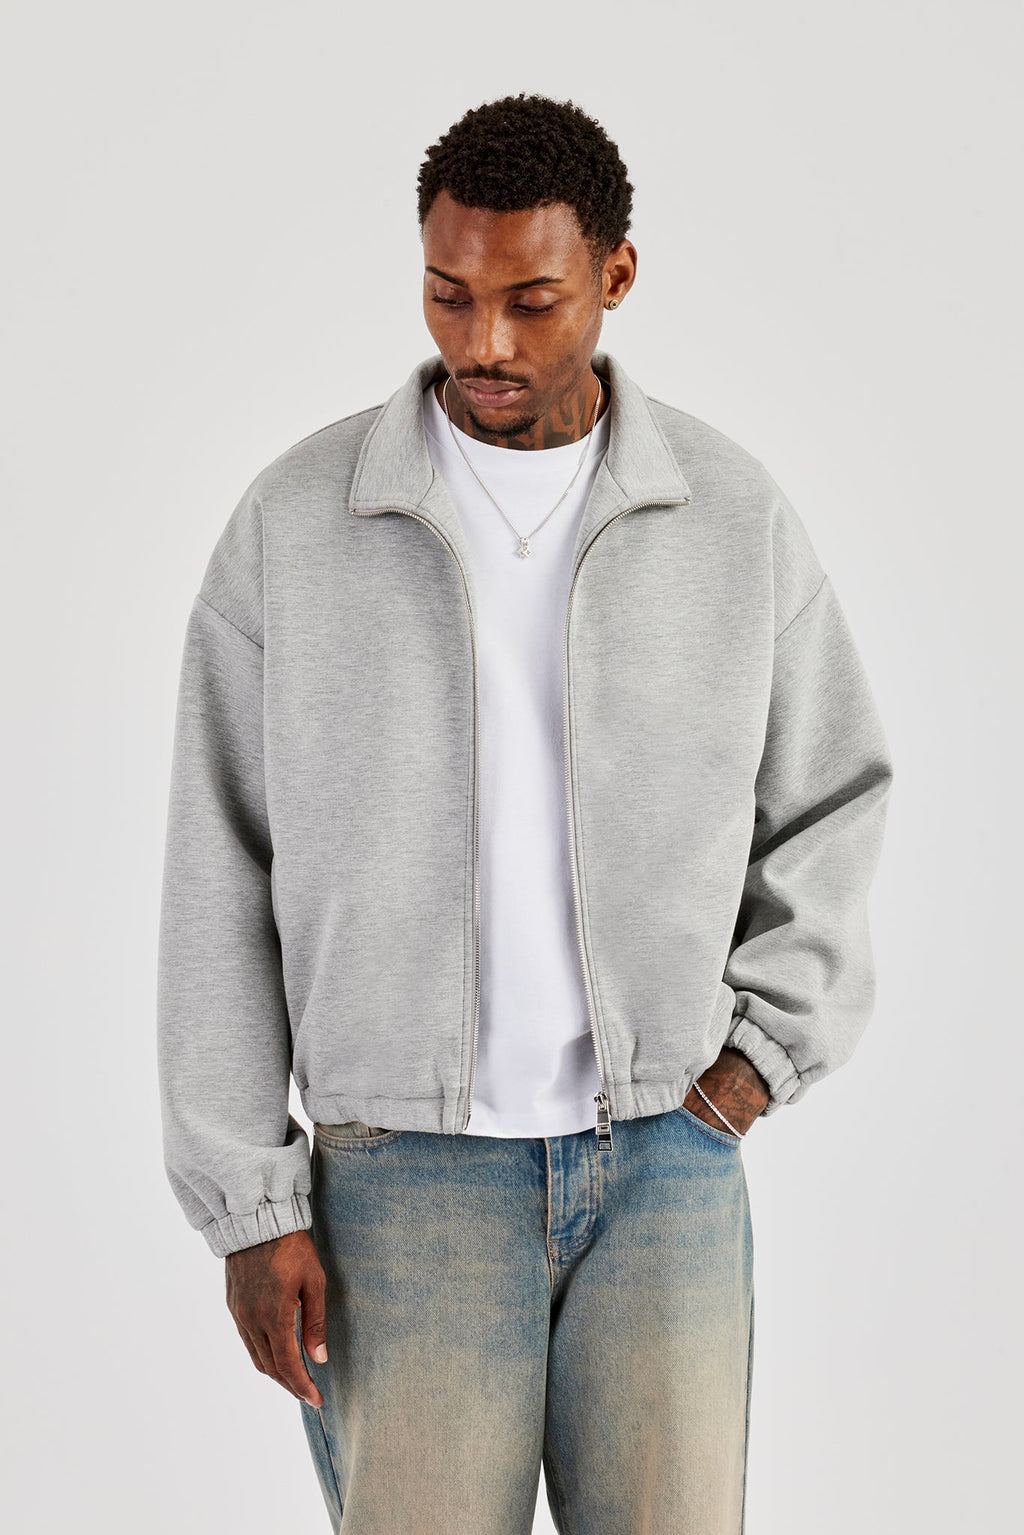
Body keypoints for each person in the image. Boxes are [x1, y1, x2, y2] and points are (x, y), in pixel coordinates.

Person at [156, 92, 894, 1535]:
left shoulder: (728, 516)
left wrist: (755, 1063)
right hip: (397, 1182)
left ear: (615, 276)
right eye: (448, 293)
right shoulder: (299, 524)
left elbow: (834, 796)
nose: (483, 341)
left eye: (531, 302)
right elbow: (217, 870)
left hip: (666, 1163)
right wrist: (252, 1203)